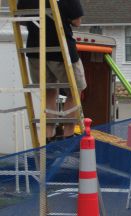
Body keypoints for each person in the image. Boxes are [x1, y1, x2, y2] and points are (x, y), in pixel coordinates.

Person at [17, 0, 87, 143]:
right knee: (74, 91)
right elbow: (77, 21)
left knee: (48, 92)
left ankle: (49, 136)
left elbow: (21, 20)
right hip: (61, 51)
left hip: (35, 51)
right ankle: (68, 136)